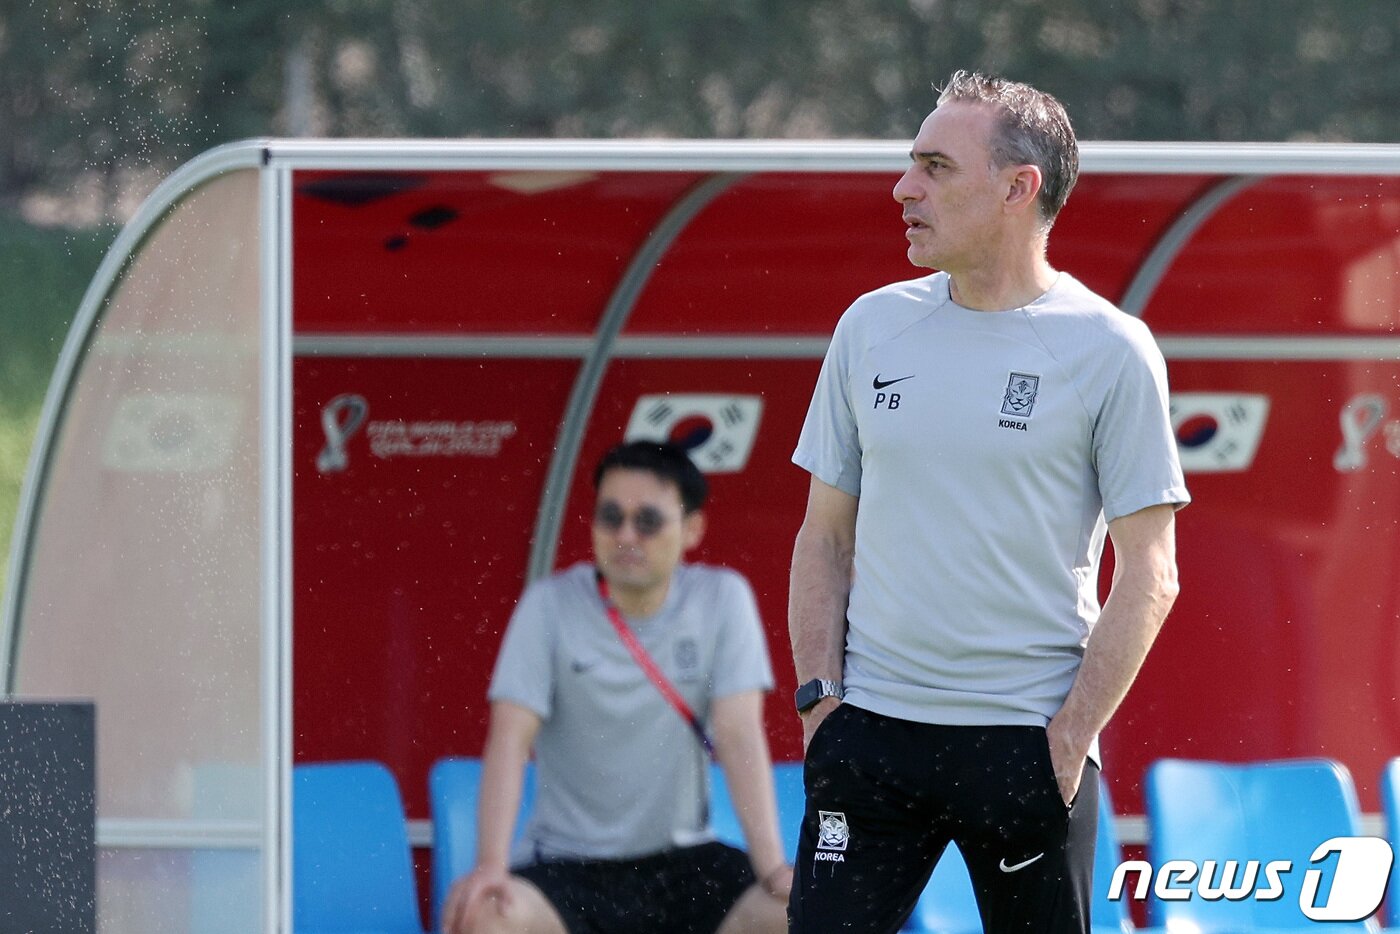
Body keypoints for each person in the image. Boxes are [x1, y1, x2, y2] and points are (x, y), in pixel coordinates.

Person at [787, 70, 1190, 934]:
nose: (904, 188)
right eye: (911, 164)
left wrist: (1070, 738)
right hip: (873, 739)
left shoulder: (1112, 349)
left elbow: (1151, 574)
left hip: (1026, 746)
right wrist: (822, 706)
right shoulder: (869, 326)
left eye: (935, 167)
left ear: (1018, 187)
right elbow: (824, 536)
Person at [443, 440, 793, 934]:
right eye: (611, 516)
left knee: (809, 913)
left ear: (691, 529)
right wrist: (491, 866)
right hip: (566, 863)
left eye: (647, 520)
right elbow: (509, 741)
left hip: (684, 863)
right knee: (483, 918)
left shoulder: (722, 598)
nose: (626, 534)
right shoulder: (549, 606)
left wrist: (773, 869)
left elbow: (738, 735)